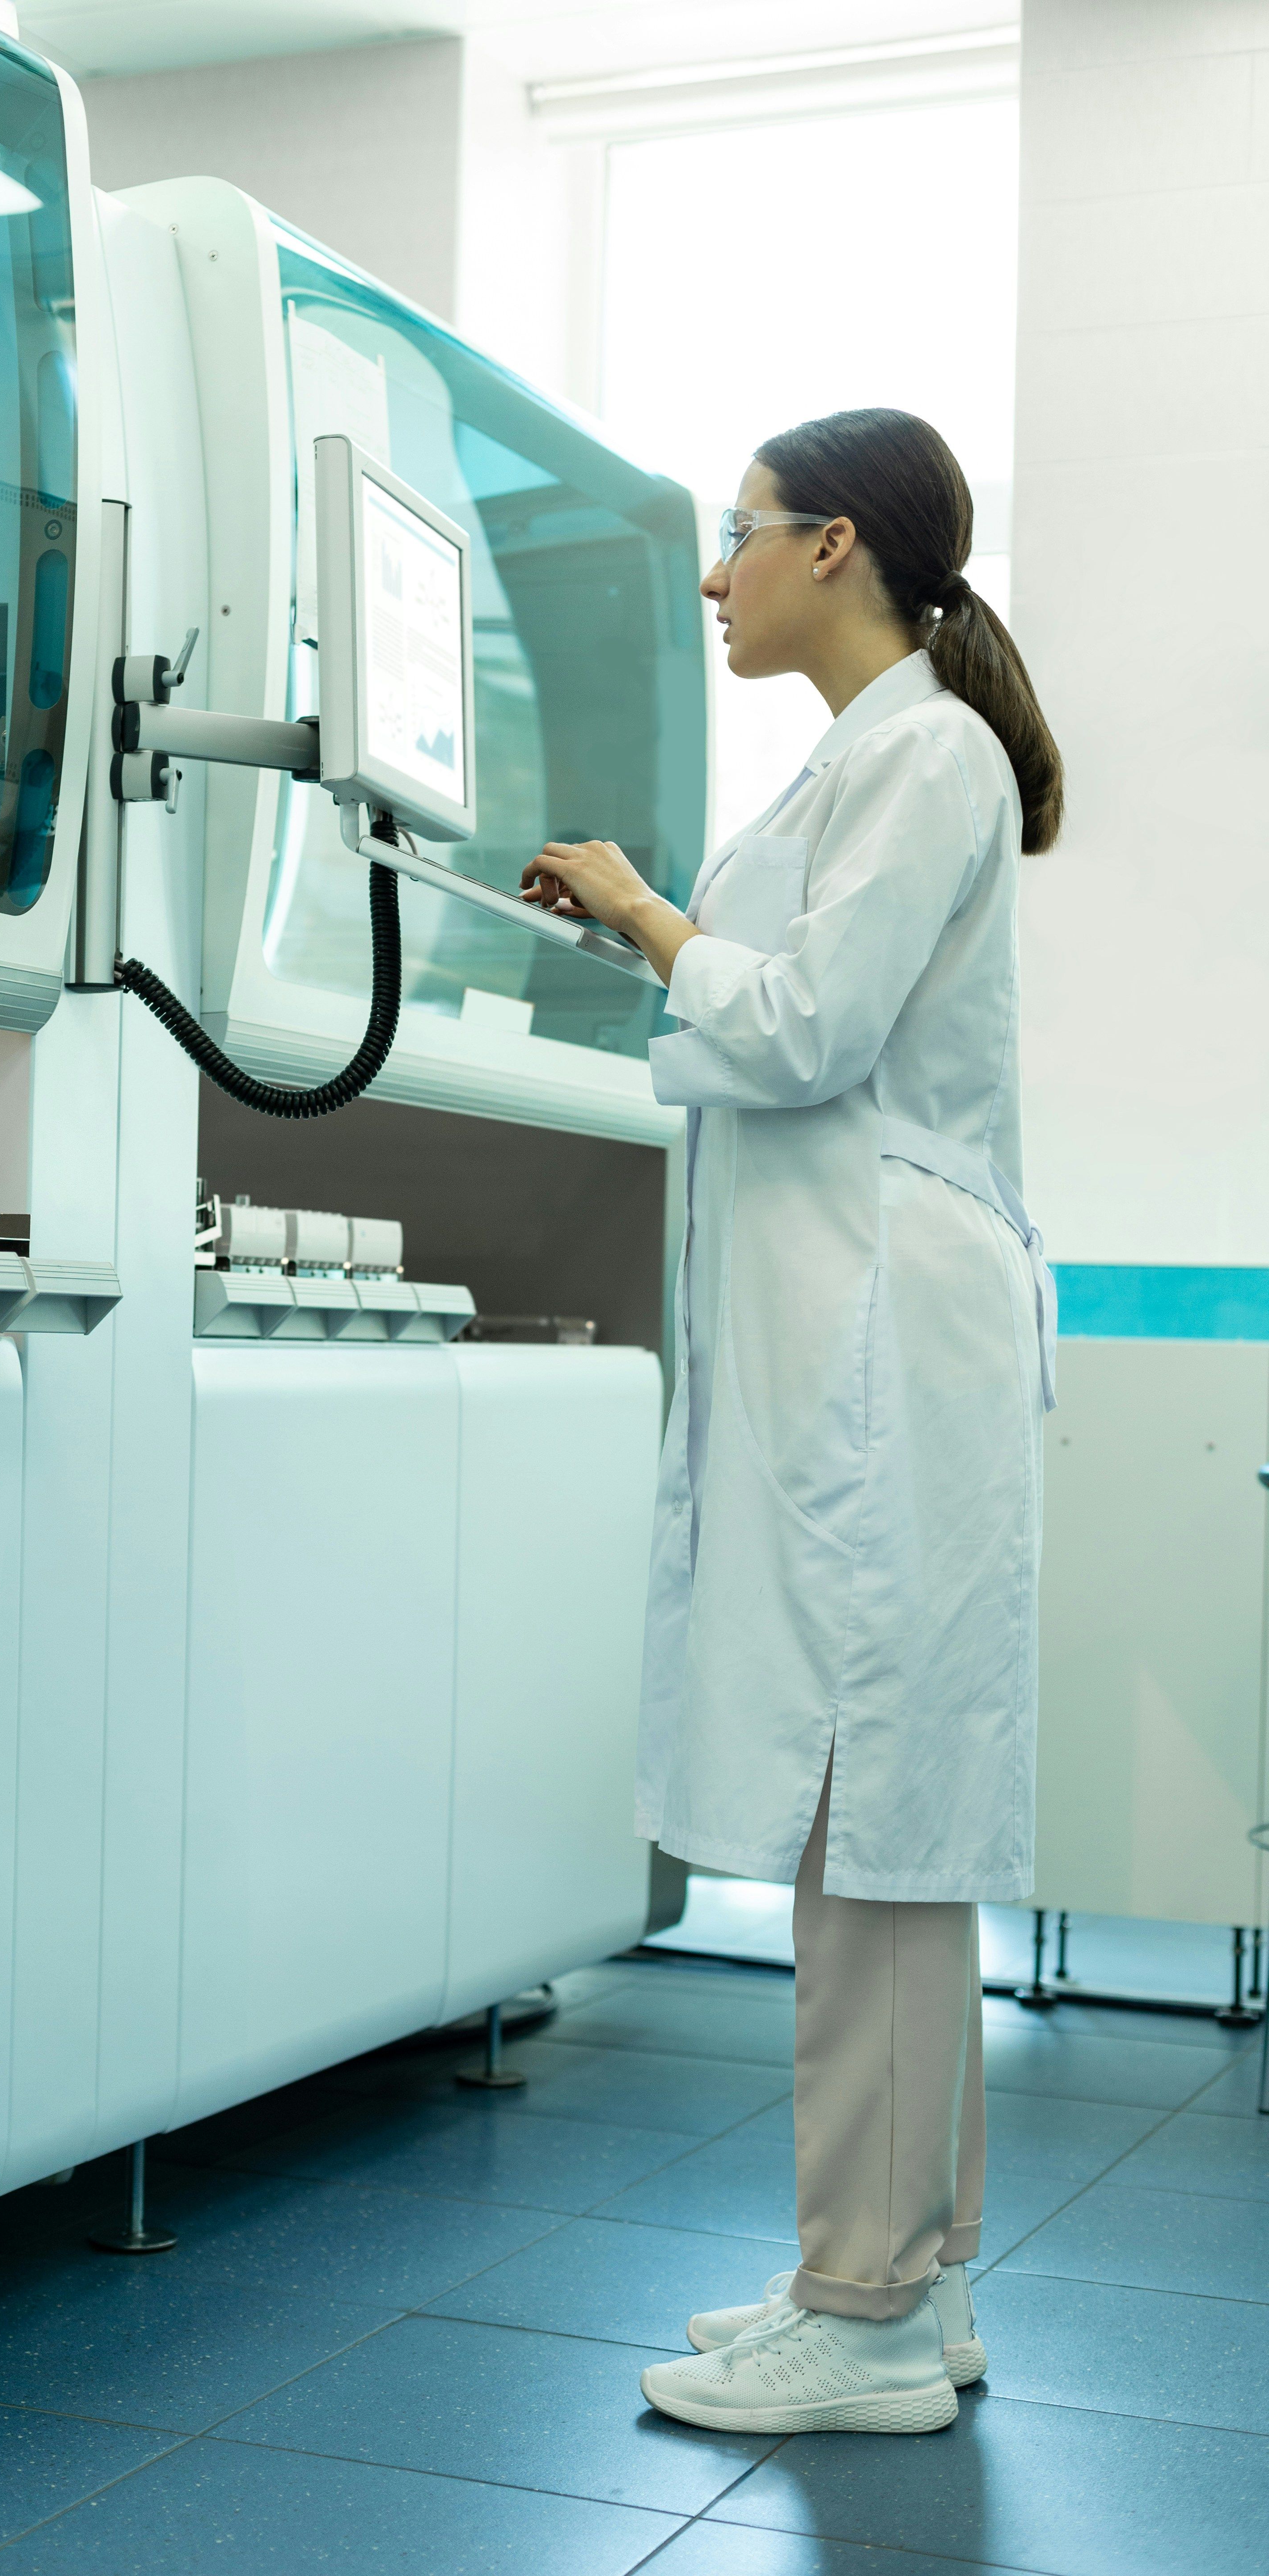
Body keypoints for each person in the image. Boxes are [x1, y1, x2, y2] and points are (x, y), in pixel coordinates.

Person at [520, 407, 1062, 2438]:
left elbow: (811, 1026)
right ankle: (911, 2283)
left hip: (885, 1364)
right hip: (854, 1355)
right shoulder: (876, 760)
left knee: (882, 1824)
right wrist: (651, 931)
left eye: (739, 533)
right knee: (882, 1822)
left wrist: (649, 915)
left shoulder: (930, 755)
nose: (713, 572)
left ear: (836, 545)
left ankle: (871, 2309)